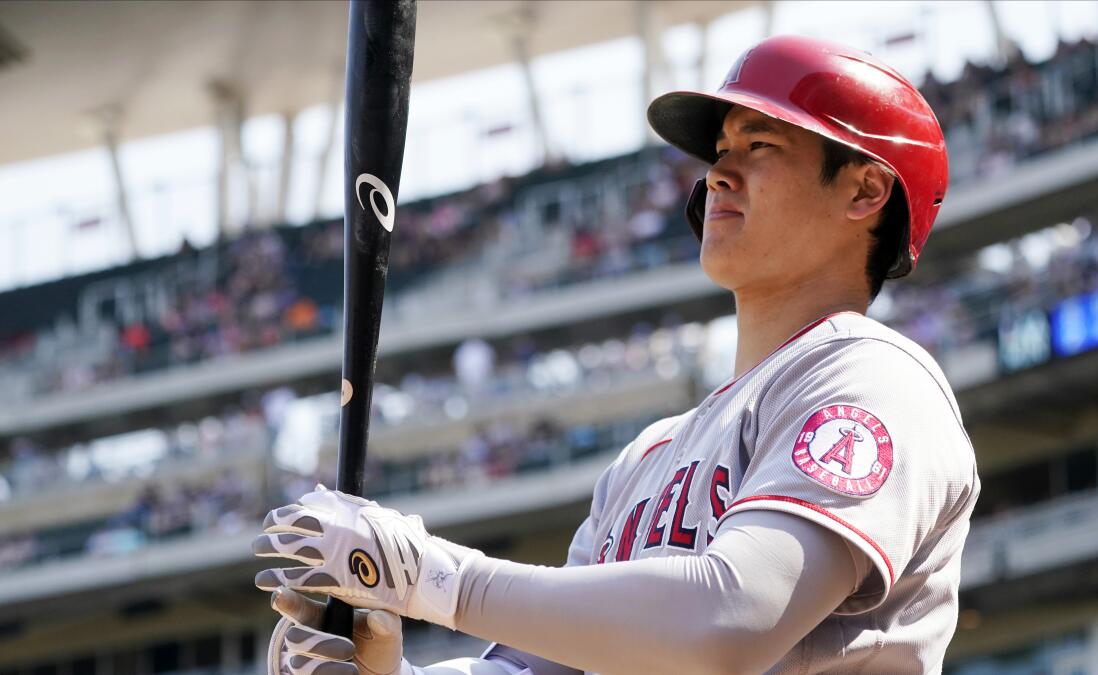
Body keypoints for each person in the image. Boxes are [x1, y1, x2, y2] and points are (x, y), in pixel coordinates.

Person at [254, 36, 978, 675]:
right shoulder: (646, 458)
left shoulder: (874, 376)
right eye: (719, 152)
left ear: (864, 189)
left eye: (760, 145)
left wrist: (436, 579)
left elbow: (731, 622)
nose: (717, 174)